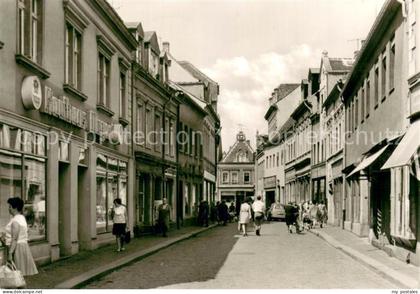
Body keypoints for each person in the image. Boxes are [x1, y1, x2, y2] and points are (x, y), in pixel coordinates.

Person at [0, 197, 38, 276]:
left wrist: (10, 254)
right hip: (21, 247)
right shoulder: (21, 218)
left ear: (15, 208)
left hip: (16, 249)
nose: (8, 209)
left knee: (15, 276)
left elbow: (15, 239)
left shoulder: (15, 221)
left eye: (10, 207)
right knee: (17, 277)